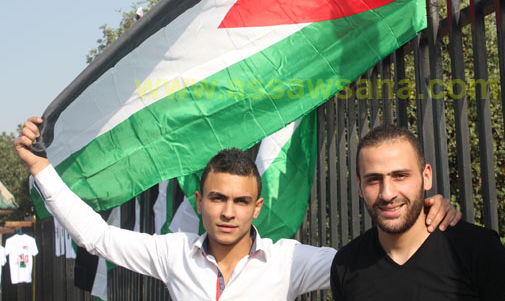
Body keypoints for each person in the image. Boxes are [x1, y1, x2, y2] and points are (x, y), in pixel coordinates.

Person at [15, 117, 461, 300]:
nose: (228, 212)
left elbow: (379, 258)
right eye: (218, 198)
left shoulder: (289, 261)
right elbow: (97, 237)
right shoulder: (173, 253)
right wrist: (40, 169)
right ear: (200, 202)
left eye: (241, 201)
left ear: (257, 207)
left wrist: (429, 213)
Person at [330, 125, 505, 301]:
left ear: (427, 177)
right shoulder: (345, 265)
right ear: (359, 186)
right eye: (373, 179)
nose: (387, 194)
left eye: (400, 176)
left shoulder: (478, 249)